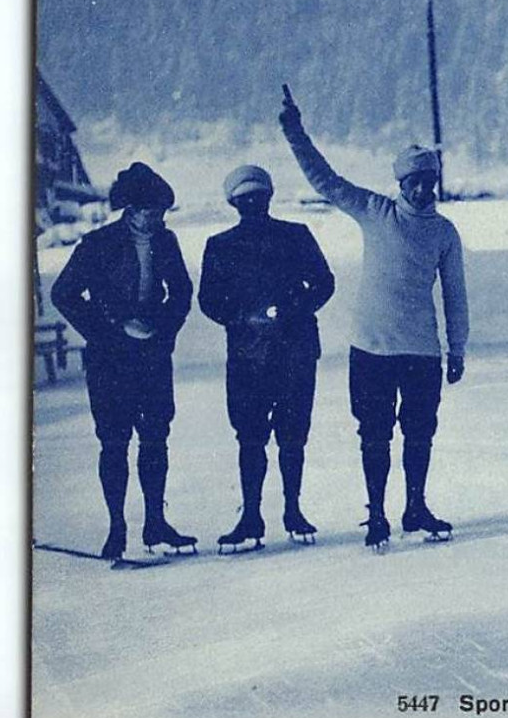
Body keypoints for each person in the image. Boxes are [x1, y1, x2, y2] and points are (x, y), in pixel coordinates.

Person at [279, 85, 469, 549]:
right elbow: (325, 181)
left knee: (420, 433)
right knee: (375, 435)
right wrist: (294, 131)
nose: (424, 189)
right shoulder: (375, 211)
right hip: (371, 348)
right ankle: (379, 512)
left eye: (430, 181)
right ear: (400, 185)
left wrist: (457, 348)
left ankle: (415, 508)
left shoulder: (444, 232)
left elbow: (455, 295)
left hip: (422, 350)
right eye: (415, 182)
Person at [50, 162, 196, 559]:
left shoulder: (167, 242)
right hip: (109, 362)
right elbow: (63, 294)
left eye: (162, 214)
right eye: (151, 213)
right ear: (130, 210)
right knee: (114, 444)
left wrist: (161, 329)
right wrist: (108, 331)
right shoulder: (97, 245)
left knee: (155, 439)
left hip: (152, 358)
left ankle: (155, 523)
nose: (157, 220)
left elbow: (182, 292)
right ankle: (117, 528)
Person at [198, 164, 336, 551]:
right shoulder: (219, 246)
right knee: (251, 437)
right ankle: (252, 515)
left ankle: (292, 509)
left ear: (269, 198)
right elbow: (209, 300)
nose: (253, 204)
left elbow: (324, 283)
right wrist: (246, 317)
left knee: (292, 437)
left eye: (258, 197)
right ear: (234, 204)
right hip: (248, 356)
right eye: (245, 200)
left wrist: (291, 309)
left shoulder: (297, 235)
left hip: (292, 353)